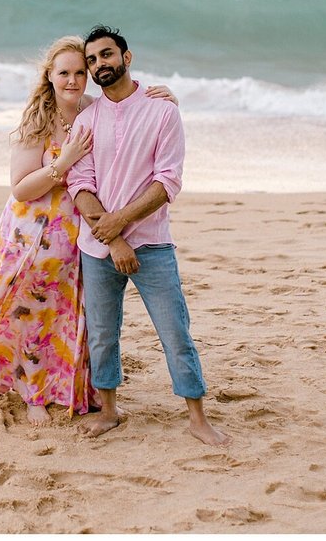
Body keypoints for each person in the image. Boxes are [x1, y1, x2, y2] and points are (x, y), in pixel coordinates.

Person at [0, 35, 177, 426]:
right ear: (49, 77)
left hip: (80, 231)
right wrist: (63, 162)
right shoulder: (37, 119)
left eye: (79, 72)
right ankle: (29, 391)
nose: (73, 80)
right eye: (63, 73)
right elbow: (20, 188)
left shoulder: (94, 110)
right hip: (31, 234)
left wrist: (166, 98)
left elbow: (132, 118)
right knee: (26, 310)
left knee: (64, 315)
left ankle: (59, 386)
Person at [66, 25, 231, 447]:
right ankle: (109, 410)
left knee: (174, 330)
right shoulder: (86, 120)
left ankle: (197, 417)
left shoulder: (162, 111)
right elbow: (79, 184)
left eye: (106, 55)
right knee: (102, 333)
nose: (99, 64)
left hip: (153, 244)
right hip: (98, 247)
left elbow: (167, 182)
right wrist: (113, 238)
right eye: (92, 60)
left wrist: (120, 223)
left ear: (127, 57)